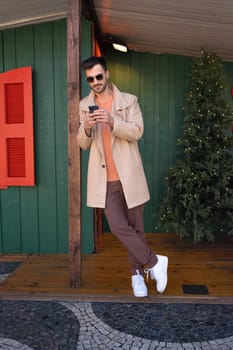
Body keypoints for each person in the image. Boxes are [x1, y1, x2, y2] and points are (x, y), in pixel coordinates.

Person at [78, 56, 168, 297]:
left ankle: (137, 275)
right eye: (90, 79)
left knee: (136, 228)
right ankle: (156, 263)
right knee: (118, 226)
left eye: (98, 76)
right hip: (104, 180)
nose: (95, 82)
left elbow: (137, 131)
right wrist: (86, 127)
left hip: (129, 175)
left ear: (106, 74)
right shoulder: (84, 105)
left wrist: (112, 121)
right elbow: (82, 143)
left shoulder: (129, 101)